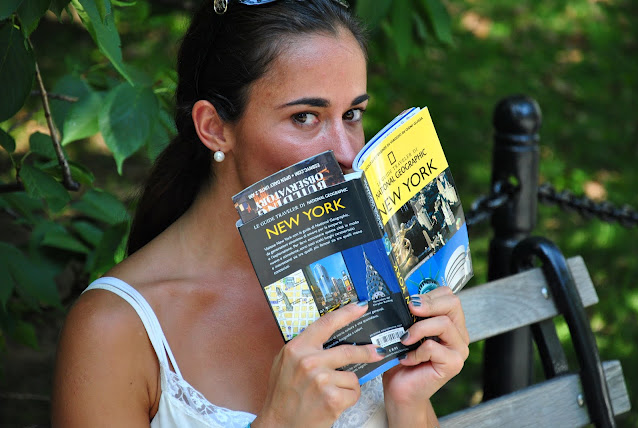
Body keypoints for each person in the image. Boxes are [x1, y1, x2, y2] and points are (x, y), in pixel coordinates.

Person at [51, 0, 469, 426]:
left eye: (352, 114)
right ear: (214, 127)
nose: (346, 152)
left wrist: (408, 399)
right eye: (305, 117)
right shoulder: (113, 328)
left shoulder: (366, 268)